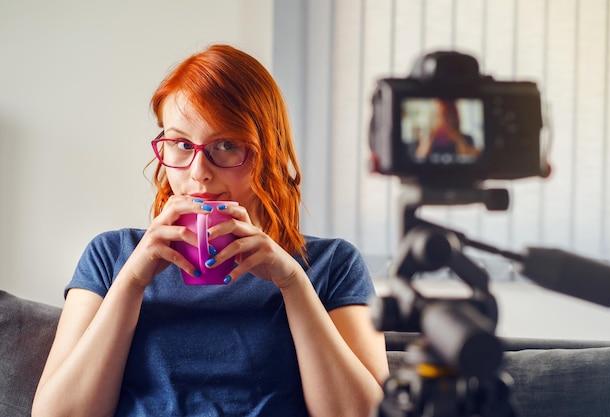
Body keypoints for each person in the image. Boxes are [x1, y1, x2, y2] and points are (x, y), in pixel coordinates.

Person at [32, 44, 388, 417]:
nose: (199, 171)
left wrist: (293, 284)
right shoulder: (111, 255)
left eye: (227, 145)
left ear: (268, 149)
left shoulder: (333, 263)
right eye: (182, 144)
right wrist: (132, 281)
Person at [416, 99, 480, 160]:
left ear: (455, 118)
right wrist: (427, 143)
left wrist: (459, 141)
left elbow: (474, 159)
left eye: (448, 116)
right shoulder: (426, 140)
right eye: (439, 116)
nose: (444, 121)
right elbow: (419, 159)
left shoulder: (467, 139)